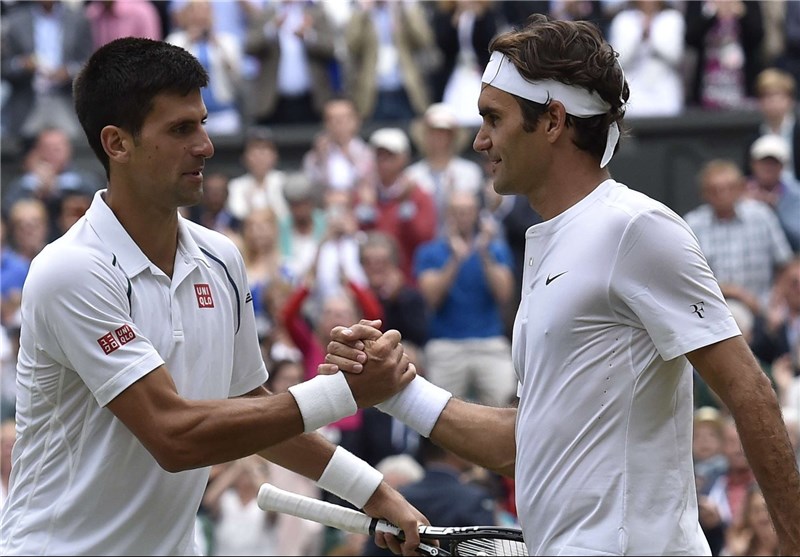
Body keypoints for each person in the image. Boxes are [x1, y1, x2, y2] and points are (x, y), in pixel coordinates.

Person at [325, 15, 800, 556]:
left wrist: (792, 540)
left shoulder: (636, 228)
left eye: (493, 119)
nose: (479, 141)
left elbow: (749, 388)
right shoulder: (550, 243)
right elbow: (527, 445)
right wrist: (397, 392)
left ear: (552, 121)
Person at [0, 37, 428, 556]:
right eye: (181, 129)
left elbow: (252, 414)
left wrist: (374, 493)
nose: (204, 144)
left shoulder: (222, 257)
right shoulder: (71, 271)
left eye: (202, 123)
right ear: (117, 144)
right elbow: (175, 436)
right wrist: (343, 394)